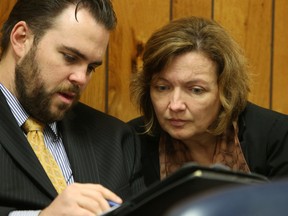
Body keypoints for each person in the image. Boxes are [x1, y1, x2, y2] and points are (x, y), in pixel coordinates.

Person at [0, 0, 145, 215]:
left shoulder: (116, 139)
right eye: (70, 57)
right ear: (22, 39)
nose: (81, 78)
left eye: (91, 67)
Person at [129, 16, 288, 187]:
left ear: (226, 90)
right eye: (162, 88)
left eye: (196, 90)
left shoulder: (277, 137)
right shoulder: (132, 141)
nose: (175, 105)